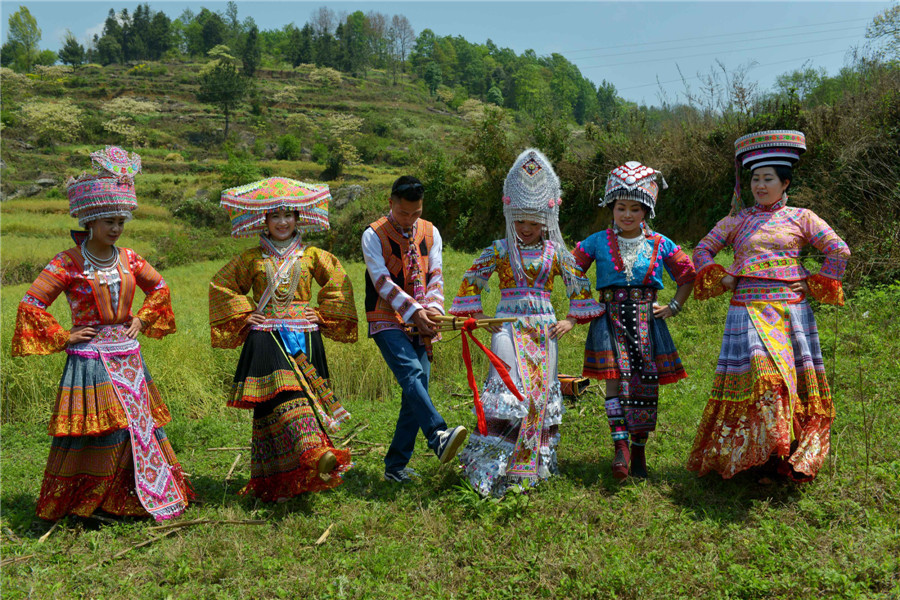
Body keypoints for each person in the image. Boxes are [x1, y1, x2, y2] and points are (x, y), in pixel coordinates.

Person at [11, 146, 192, 521]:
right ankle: (90, 501)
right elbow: (31, 302)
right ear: (90, 220)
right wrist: (63, 336)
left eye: (120, 221)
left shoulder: (130, 259)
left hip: (127, 354)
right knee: (102, 429)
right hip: (90, 357)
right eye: (108, 220)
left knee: (135, 427)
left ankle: (128, 498)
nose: (115, 228)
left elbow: (160, 288)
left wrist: (141, 319)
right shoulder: (67, 261)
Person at [687, 130, 850, 482]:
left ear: (784, 182)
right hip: (746, 310)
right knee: (764, 380)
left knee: (788, 382)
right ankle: (759, 457)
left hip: (790, 311)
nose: (760, 186)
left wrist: (810, 280)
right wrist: (723, 276)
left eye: (768, 179)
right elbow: (701, 250)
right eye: (755, 180)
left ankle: (784, 457)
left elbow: (839, 250)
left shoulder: (802, 217)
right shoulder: (737, 220)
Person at [450, 149, 603, 496]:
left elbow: (580, 285)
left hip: (544, 326)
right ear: (511, 217)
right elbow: (471, 278)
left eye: (534, 223)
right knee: (507, 388)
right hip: (506, 323)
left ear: (546, 222)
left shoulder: (556, 253)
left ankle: (530, 468)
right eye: (521, 221)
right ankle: (492, 469)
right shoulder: (500, 250)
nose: (527, 229)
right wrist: (479, 317)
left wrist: (570, 320)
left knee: (538, 393)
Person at [209, 177, 356, 502]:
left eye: (288, 214)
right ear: (265, 220)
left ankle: (280, 482)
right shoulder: (251, 259)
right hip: (266, 337)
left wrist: (321, 312)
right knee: (278, 396)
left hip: (304, 336)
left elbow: (339, 282)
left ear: (298, 218)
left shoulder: (313, 256)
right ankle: (315, 454)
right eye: (275, 215)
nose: (282, 221)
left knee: (300, 398)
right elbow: (221, 285)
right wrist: (247, 313)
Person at [573, 161, 696, 480]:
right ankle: (620, 447)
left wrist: (673, 306)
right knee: (613, 382)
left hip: (647, 321)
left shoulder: (660, 243)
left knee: (646, 386)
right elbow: (571, 268)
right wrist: (584, 302)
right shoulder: (597, 241)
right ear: (611, 208)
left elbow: (687, 273)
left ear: (646, 212)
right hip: (610, 318)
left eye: (635, 209)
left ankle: (639, 450)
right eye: (621, 208)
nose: (627, 215)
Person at [362, 175, 468, 483]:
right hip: (386, 317)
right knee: (411, 374)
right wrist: (414, 311)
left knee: (416, 387)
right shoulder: (373, 234)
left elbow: (435, 274)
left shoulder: (430, 231)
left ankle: (395, 466)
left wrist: (432, 311)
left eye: (416, 213)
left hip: (423, 318)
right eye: (404, 212)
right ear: (391, 203)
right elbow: (381, 282)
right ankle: (437, 435)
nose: (410, 219)